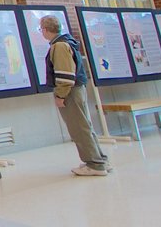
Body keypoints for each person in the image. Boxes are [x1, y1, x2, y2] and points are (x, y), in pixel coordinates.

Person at [40, 15, 111, 176]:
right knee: (85, 125)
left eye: (41, 29)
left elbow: (65, 74)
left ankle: (94, 164)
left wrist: (60, 95)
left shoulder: (59, 46)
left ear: (45, 29)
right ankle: (100, 160)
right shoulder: (67, 43)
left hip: (71, 92)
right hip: (77, 89)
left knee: (78, 128)